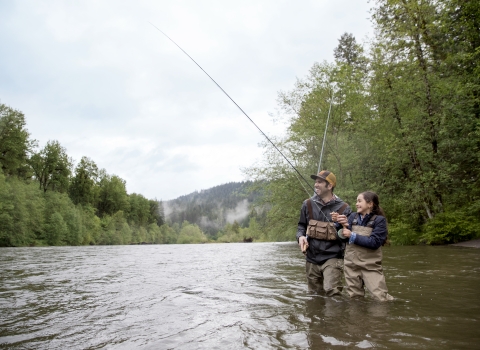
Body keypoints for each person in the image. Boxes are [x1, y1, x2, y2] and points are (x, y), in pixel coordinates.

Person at [296, 170, 352, 296]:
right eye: (315, 182)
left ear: (330, 186)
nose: (316, 185)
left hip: (333, 257)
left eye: (320, 182)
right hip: (311, 258)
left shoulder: (344, 208)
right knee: (314, 296)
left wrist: (343, 225)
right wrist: (300, 237)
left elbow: (347, 237)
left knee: (333, 295)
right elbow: (301, 226)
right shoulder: (307, 204)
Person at [337, 191, 393, 301]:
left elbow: (375, 242)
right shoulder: (352, 216)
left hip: (370, 266)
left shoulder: (379, 220)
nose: (356, 204)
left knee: (380, 298)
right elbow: (342, 238)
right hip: (351, 265)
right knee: (354, 298)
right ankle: (358, 318)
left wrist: (352, 235)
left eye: (359, 201)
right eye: (356, 201)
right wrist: (340, 227)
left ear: (370, 204)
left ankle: (382, 317)